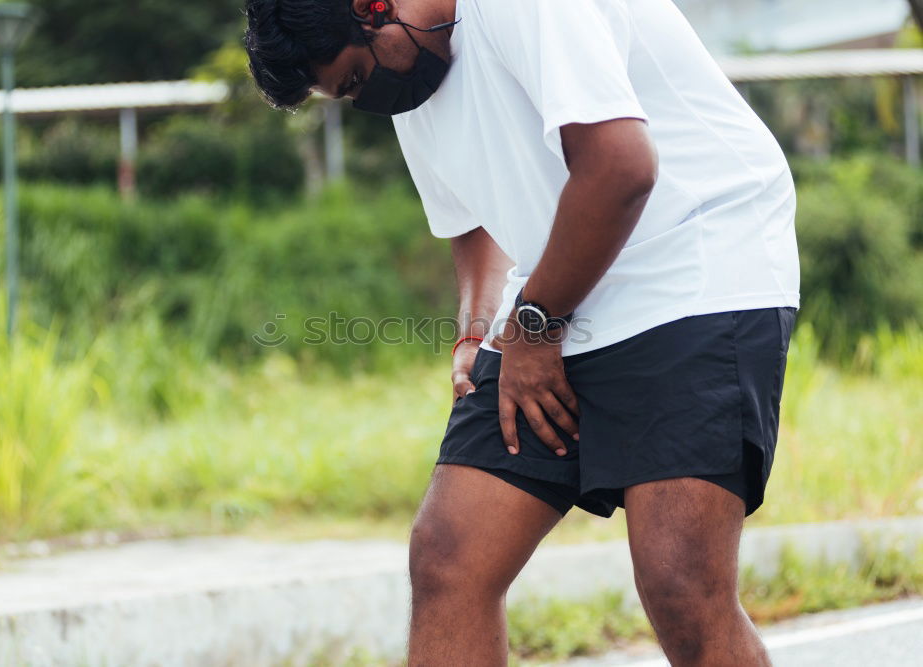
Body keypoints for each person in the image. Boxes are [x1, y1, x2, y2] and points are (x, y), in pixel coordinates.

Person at [244, 0, 799, 664]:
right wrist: (479, 331)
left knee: (680, 582)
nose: (369, 100)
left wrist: (534, 330)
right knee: (450, 558)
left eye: (357, 79)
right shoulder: (413, 71)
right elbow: (471, 222)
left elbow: (622, 166)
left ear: (371, 7)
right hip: (558, 291)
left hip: (695, 267)